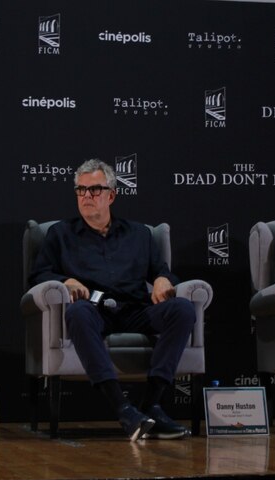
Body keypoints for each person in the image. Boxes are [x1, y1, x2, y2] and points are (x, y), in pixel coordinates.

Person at [29, 158, 196, 441]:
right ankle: (123, 409)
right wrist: (63, 281)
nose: (86, 197)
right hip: (93, 310)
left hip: (135, 308)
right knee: (78, 313)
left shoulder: (140, 235)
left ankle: (151, 405)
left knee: (182, 309)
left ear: (111, 194)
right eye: (80, 191)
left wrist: (162, 279)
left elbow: (163, 272)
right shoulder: (59, 234)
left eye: (94, 190)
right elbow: (38, 276)